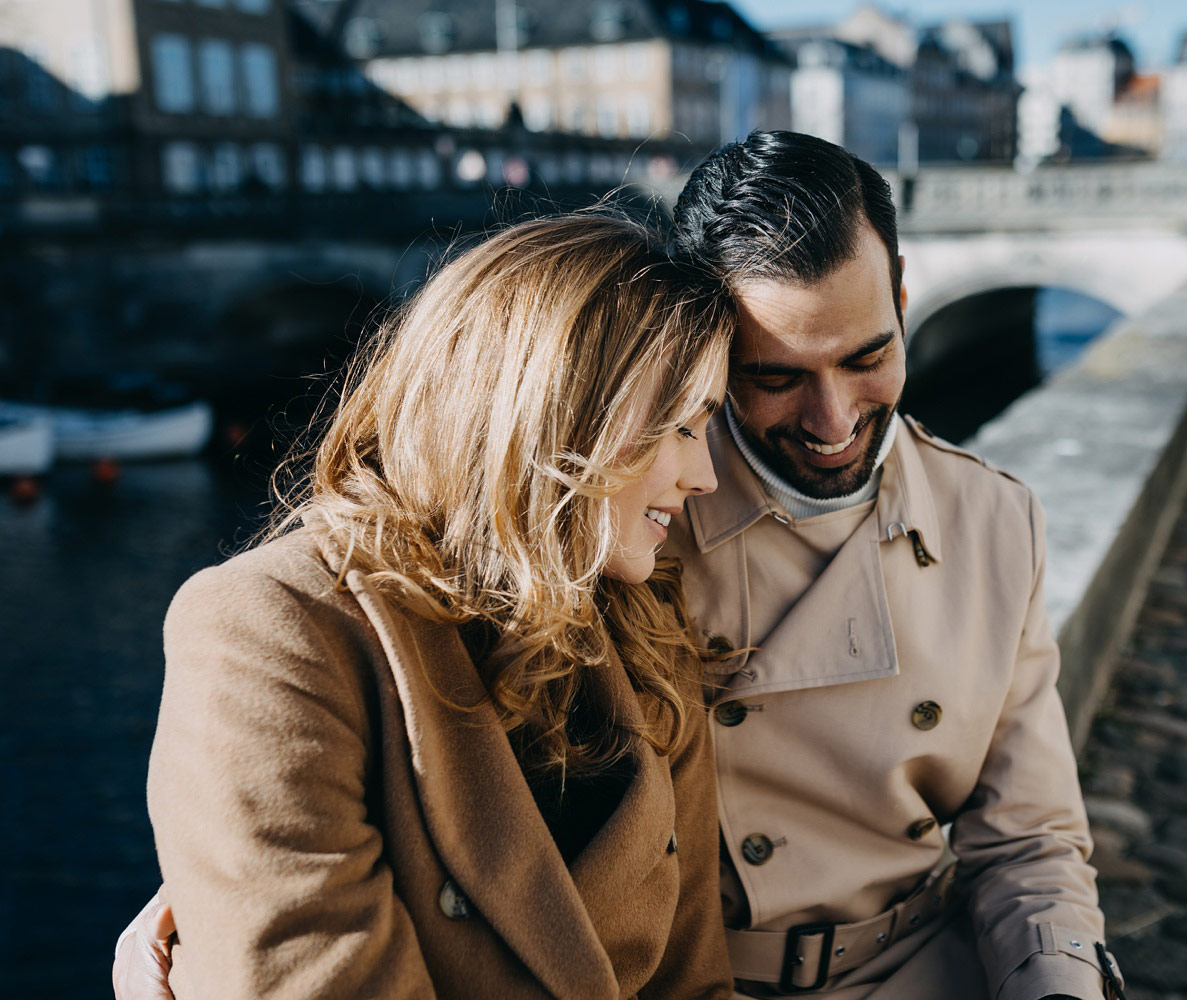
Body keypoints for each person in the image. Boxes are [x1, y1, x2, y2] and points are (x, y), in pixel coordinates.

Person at [117, 133, 1123, 1000]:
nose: (830, 420)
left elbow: (1029, 840)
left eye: (869, 356)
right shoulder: (610, 539)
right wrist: (212, 901)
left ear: (905, 303)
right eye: (771, 379)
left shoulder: (989, 522)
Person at [121, 213, 738, 999]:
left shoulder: (646, 635)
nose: (704, 474)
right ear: (554, 406)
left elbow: (695, 983)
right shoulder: (275, 627)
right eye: (680, 424)